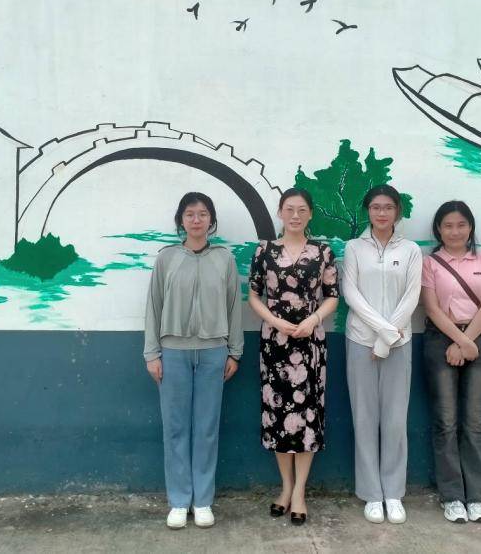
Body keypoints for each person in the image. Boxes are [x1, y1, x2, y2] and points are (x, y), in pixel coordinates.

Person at [144, 192, 243, 529]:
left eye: (202, 214)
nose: (196, 220)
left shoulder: (224, 259)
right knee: (175, 428)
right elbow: (153, 306)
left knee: (206, 428)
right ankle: (178, 500)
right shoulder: (167, 258)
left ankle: (202, 501)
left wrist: (234, 351)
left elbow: (234, 305)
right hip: (173, 353)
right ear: (181, 220)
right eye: (190, 214)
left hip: (214, 353)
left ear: (211, 220)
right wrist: (152, 353)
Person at [248, 188, 339, 526]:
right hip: (275, 342)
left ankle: (300, 491)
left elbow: (332, 296)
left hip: (311, 342)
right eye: (289, 209)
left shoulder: (323, 251)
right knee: (278, 414)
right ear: (280, 212)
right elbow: (253, 296)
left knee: (307, 415)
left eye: (302, 210)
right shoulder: (264, 250)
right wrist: (274, 321)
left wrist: (314, 319)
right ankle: (285, 487)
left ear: (310, 213)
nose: (295, 215)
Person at [341, 184, 422, 524]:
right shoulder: (354, 247)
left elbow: (412, 295)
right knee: (364, 418)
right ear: (368, 210)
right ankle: (372, 494)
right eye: (376, 207)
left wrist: (388, 338)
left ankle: (393, 492)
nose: (382, 213)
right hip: (361, 340)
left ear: (397, 211)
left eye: (388, 207)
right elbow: (351, 293)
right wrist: (382, 333)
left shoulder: (412, 250)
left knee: (395, 420)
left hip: (399, 345)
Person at [420, 200, 481, 524]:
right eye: (448, 226)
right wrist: (460, 341)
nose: (455, 231)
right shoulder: (430, 263)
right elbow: (431, 307)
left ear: (470, 228)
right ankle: (452, 496)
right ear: (438, 229)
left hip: (479, 340)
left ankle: (476, 497)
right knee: (446, 421)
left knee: (475, 422)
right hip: (441, 340)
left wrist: (468, 342)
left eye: (461, 225)